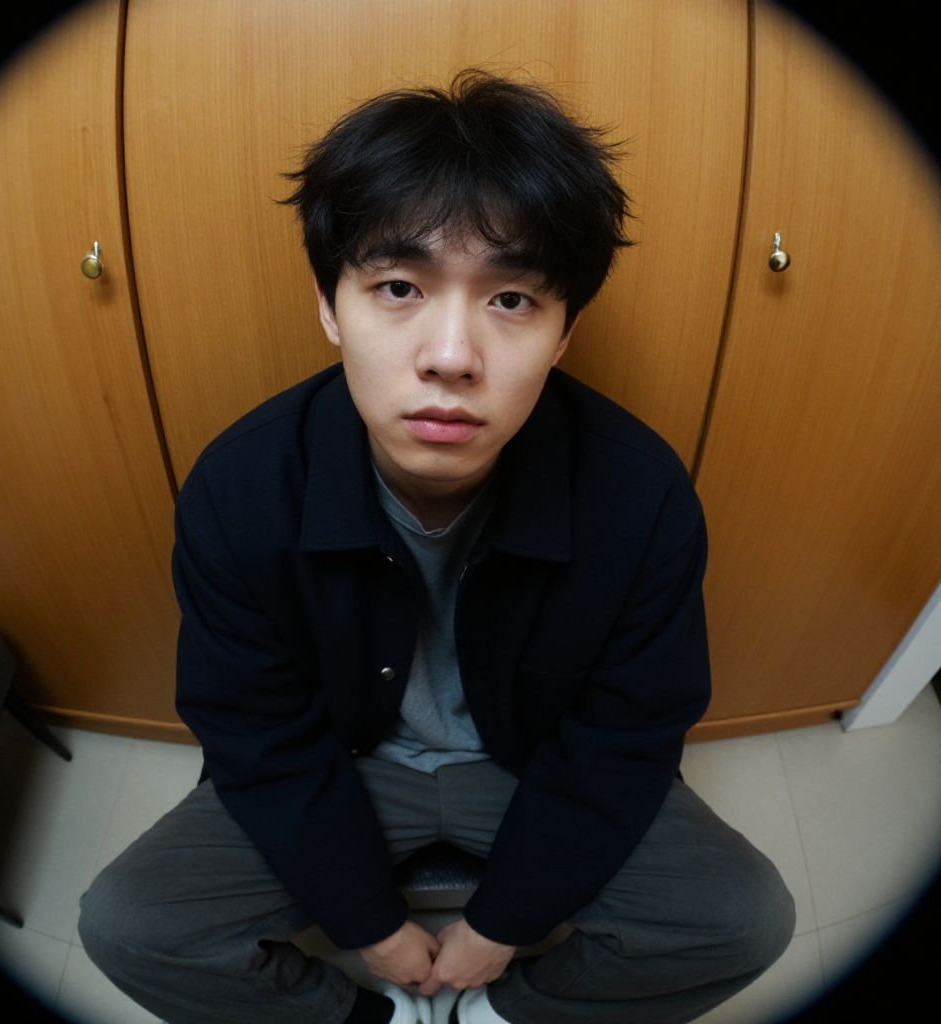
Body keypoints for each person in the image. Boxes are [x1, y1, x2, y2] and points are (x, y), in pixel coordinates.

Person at [78, 69, 795, 1024]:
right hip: (346, 763)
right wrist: (372, 930)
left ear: (565, 333)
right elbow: (256, 732)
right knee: (130, 926)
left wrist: (500, 933)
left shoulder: (641, 494)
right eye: (398, 287)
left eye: (512, 301)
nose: (451, 356)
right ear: (330, 306)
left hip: (531, 764)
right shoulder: (241, 488)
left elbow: (625, 735)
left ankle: (508, 1018)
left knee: (743, 920)